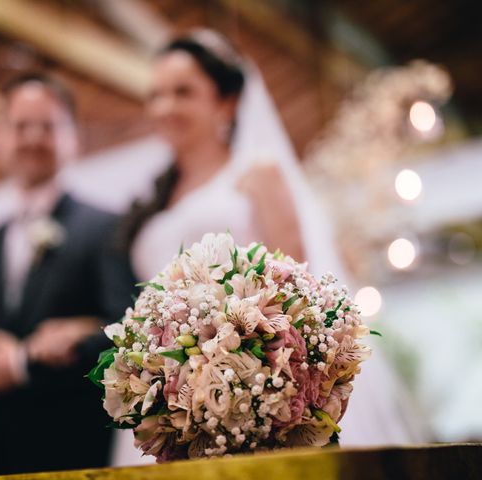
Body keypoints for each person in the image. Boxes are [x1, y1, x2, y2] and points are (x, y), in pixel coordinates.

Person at [112, 29, 427, 466]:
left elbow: (296, 286)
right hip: (167, 396)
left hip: (244, 384)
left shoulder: (258, 175)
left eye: (183, 92)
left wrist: (242, 370)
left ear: (227, 101)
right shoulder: (154, 201)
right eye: (157, 95)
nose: (165, 107)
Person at [0, 73, 135, 477]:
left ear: (72, 138)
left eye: (47, 126)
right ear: (0, 138)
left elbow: (124, 335)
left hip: (71, 450)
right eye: (19, 126)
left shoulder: (107, 228)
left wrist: (23, 362)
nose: (32, 137)